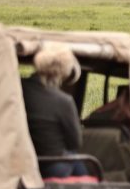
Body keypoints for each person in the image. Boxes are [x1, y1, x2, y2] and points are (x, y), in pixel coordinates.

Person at [21, 44, 88, 178]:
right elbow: (75, 142)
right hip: (51, 166)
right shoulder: (64, 101)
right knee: (77, 159)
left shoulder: (18, 87)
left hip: (21, 161)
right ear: (63, 71)